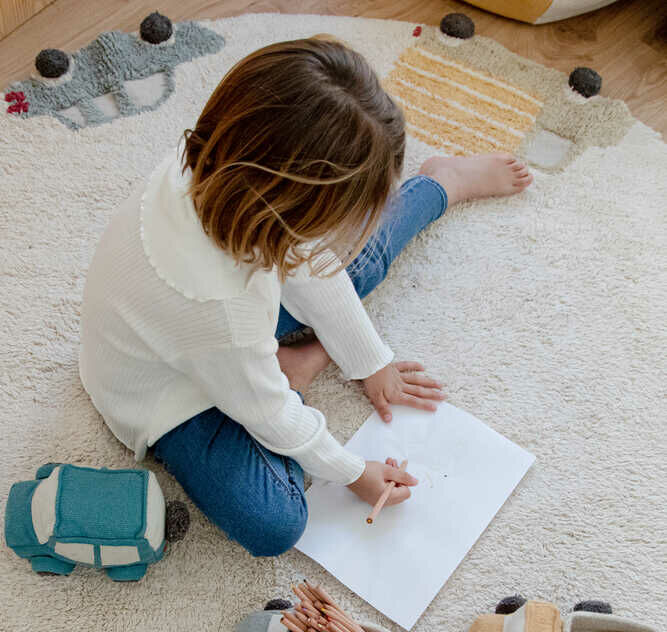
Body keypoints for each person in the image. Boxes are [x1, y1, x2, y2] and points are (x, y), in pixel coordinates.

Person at [79, 36, 532, 557]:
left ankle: (440, 185)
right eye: (342, 215)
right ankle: (296, 358)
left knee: (342, 266)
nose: (347, 228)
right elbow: (268, 413)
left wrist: (368, 361)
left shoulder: (224, 166)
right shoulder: (222, 307)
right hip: (167, 396)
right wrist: (353, 471)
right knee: (274, 522)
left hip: (213, 328)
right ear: (293, 207)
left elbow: (308, 262)